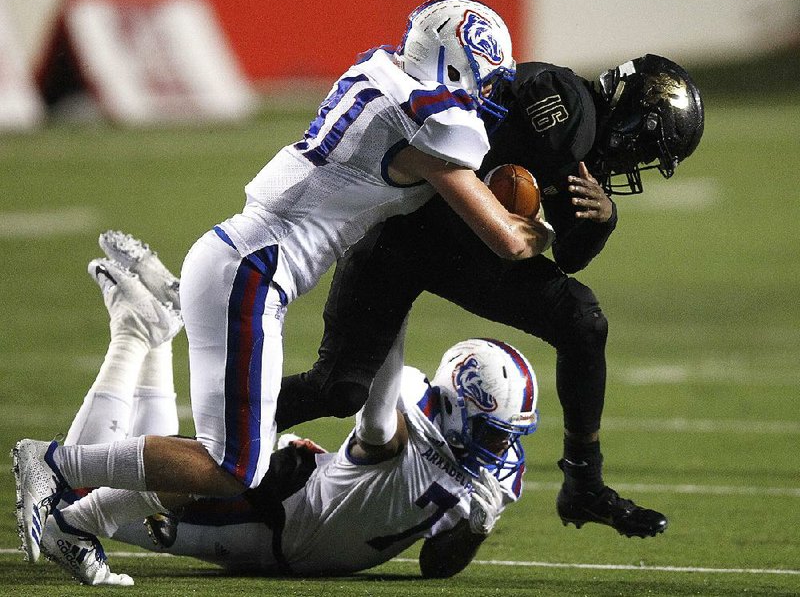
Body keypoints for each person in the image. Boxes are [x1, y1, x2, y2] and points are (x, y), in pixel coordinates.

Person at [13, 0, 555, 569]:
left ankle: (77, 511)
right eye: (484, 79)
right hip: (254, 270)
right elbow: (511, 241)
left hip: (243, 259)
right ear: (452, 64)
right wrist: (543, 224)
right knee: (232, 467)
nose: (489, 96)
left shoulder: (386, 76)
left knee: (228, 455)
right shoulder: (431, 127)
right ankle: (58, 465)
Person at [274, 54, 706, 538]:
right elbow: (530, 113)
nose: (637, 158)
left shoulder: (576, 133)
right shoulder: (561, 99)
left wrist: (603, 218)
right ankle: (222, 436)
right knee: (339, 388)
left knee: (582, 320)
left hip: (459, 248)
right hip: (397, 234)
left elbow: (569, 255)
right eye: (645, 143)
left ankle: (584, 482)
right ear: (630, 116)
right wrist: (568, 203)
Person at [28, 243, 538, 584]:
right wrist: (391, 309)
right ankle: (134, 339)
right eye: (491, 433)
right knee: (80, 500)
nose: (501, 447)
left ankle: (148, 335)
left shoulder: (492, 473)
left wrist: (475, 529)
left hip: (294, 522)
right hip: (275, 514)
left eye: (504, 435)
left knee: (142, 475)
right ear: (452, 410)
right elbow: (379, 425)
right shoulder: (408, 418)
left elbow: (435, 565)